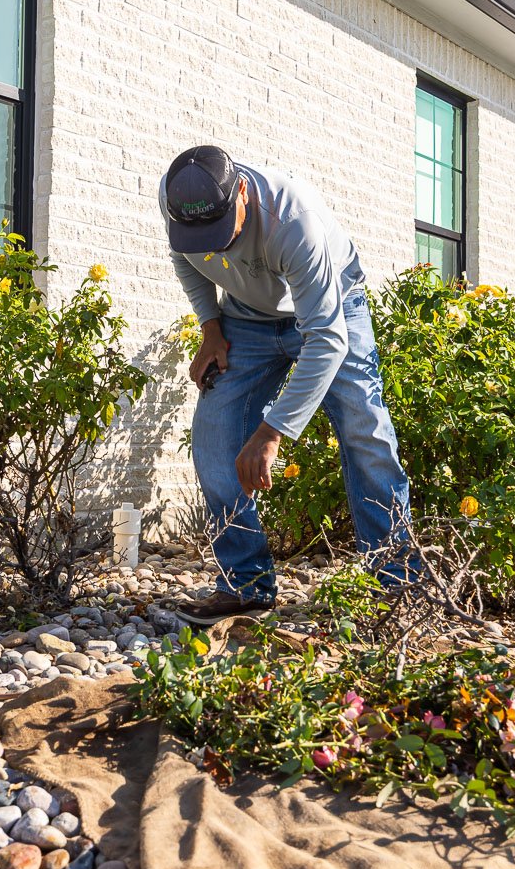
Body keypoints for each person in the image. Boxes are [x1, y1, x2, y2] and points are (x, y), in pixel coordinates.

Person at [160, 145, 416, 625]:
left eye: (221, 230)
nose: (214, 246)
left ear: (241, 191)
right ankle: (246, 585)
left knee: (367, 434)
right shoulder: (178, 200)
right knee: (214, 437)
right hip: (245, 318)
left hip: (330, 308)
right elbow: (185, 260)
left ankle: (397, 586)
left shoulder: (292, 219)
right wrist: (210, 327)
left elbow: (327, 339)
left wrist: (271, 432)